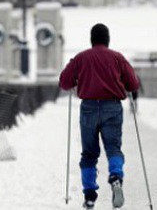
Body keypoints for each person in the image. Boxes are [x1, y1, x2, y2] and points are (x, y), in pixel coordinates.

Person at [59, 23, 140, 210]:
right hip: (112, 107)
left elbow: (64, 82)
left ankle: (89, 195)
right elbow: (133, 83)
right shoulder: (117, 58)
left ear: (91, 39)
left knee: (89, 153)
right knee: (113, 149)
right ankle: (116, 176)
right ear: (107, 39)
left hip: (88, 107)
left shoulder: (81, 58)